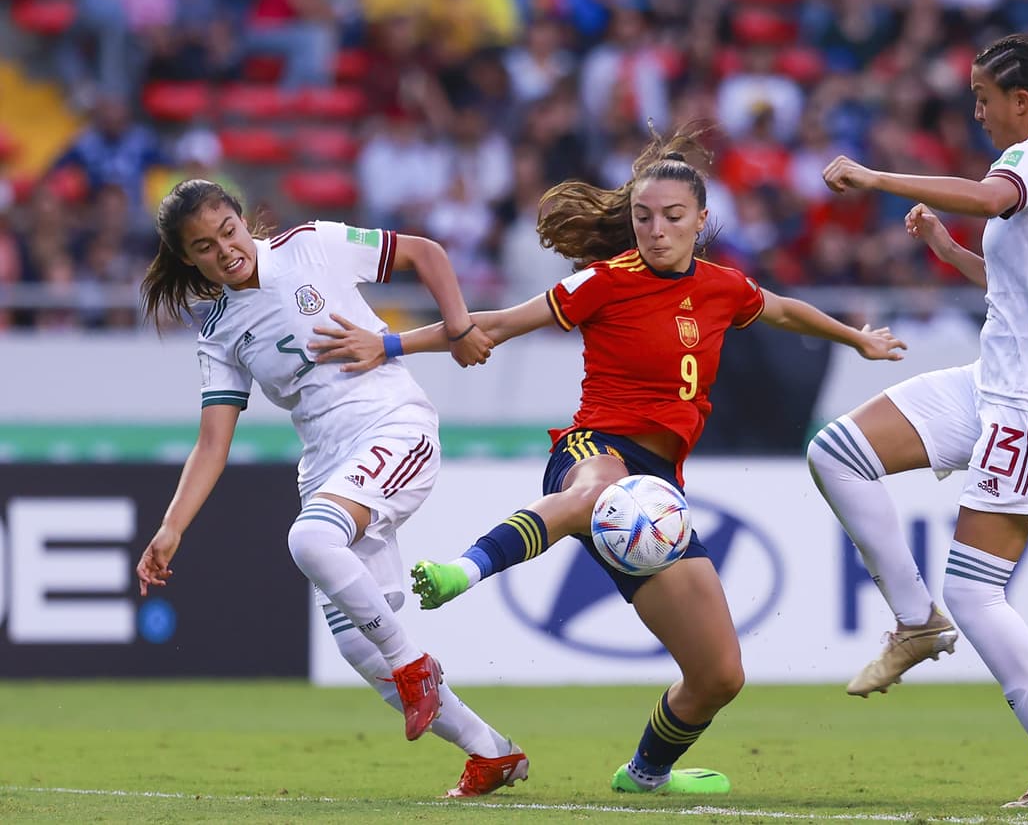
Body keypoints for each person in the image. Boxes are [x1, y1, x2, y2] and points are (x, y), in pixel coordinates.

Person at [306, 127, 908, 795]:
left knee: (719, 674)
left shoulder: (722, 287)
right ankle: (463, 569)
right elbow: (498, 322)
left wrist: (857, 338)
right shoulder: (606, 280)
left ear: (702, 221)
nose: (656, 230)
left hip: (659, 494)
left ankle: (646, 771)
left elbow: (785, 310)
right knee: (598, 494)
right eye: (644, 217)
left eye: (673, 217)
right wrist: (388, 343)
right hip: (592, 450)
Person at [133, 179, 529, 799]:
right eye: (205, 247)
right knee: (359, 649)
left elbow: (425, 252)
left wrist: (457, 329)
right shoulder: (217, 330)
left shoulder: (311, 244)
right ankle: (491, 751)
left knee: (311, 539)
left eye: (228, 232)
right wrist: (171, 526)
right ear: (189, 259)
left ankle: (414, 668)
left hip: (394, 425)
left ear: (243, 220)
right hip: (325, 464)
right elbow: (213, 443)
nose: (224, 251)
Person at [806, 33, 1028, 808]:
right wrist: (947, 249)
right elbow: (1019, 281)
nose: (975, 111)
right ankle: (916, 622)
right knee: (838, 451)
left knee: (978, 592)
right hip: (995, 381)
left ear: (1024, 101)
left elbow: (988, 196)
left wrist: (875, 176)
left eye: (983, 97)